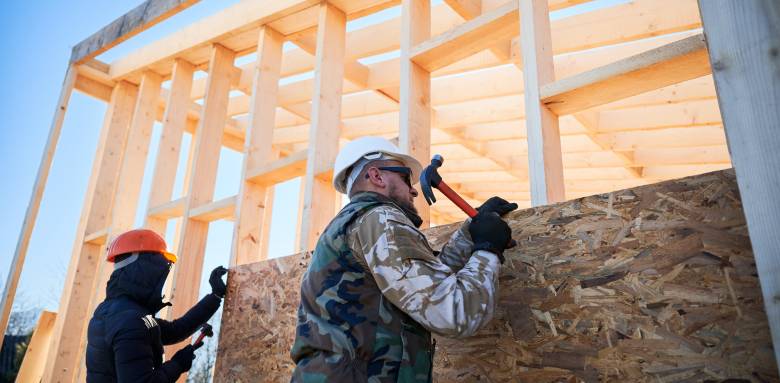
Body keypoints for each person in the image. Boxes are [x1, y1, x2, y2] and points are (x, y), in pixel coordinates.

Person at [291, 136, 517, 382]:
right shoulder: (380, 219)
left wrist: (470, 234)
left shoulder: (352, 225)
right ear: (377, 176)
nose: (413, 189)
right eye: (406, 178)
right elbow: (454, 313)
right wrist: (487, 250)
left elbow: (422, 282)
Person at [85, 229, 228, 382]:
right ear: (147, 271)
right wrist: (177, 364)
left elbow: (175, 330)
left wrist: (215, 296)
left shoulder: (117, 312)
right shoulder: (132, 321)